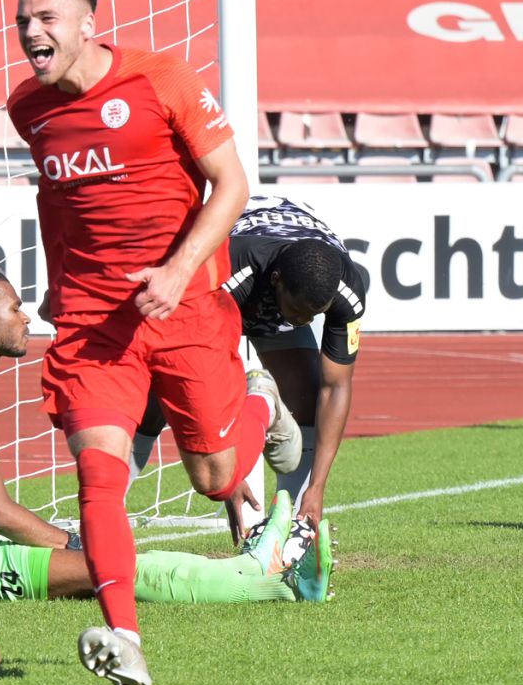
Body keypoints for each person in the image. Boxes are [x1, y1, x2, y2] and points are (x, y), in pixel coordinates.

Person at [7, 0, 300, 685]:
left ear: (88, 23)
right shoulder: (26, 108)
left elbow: (231, 185)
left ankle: (259, 402)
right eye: (23, 21)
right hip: (93, 322)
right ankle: (126, 638)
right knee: (98, 476)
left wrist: (175, 271)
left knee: (214, 479)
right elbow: (57, 200)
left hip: (187, 308)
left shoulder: (160, 80)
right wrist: (55, 281)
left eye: (47, 18)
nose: (32, 32)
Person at [0, 257, 329, 607]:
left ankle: (269, 569)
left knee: (90, 569)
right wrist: (72, 541)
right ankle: (266, 578)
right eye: (13, 308)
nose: (26, 318)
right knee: (115, 566)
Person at [131, 193, 367, 597]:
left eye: (315, 315)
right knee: (153, 399)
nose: (305, 322)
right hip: (219, 290)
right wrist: (232, 470)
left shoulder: (346, 289)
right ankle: (104, 516)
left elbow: (336, 386)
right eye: (300, 312)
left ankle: (285, 529)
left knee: (309, 396)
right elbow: (210, 370)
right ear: (277, 282)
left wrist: (319, 487)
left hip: (286, 267)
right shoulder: (231, 272)